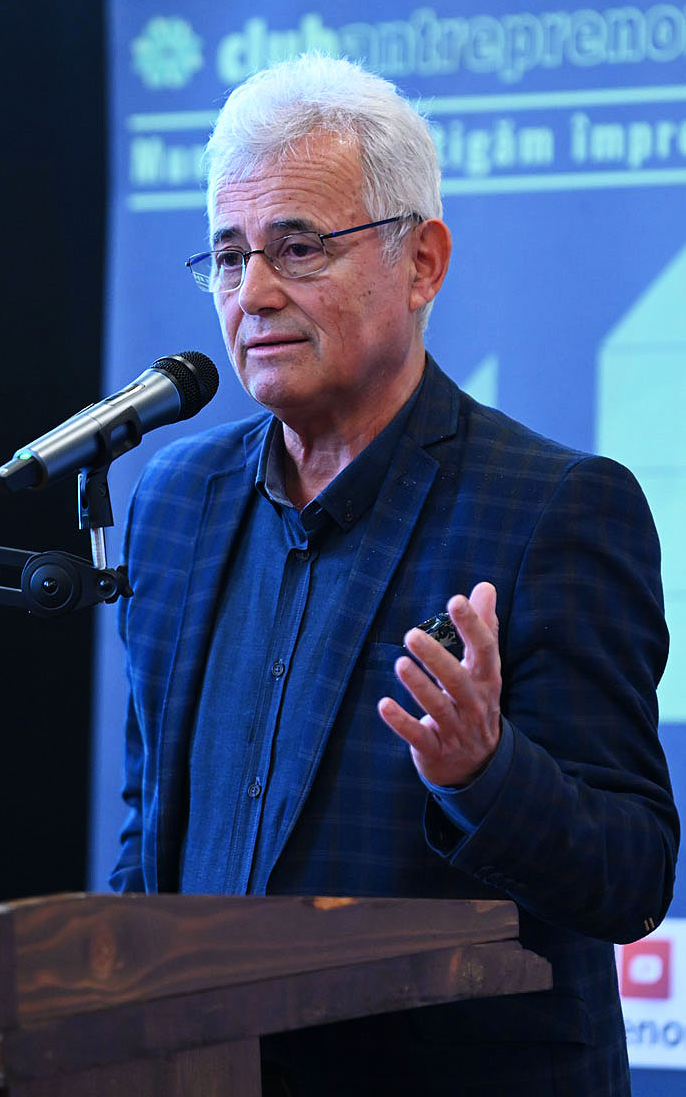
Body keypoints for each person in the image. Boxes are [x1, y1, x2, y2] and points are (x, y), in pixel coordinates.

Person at [110, 54, 678, 1095]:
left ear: (421, 262)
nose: (254, 293)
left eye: (298, 248)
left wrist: (482, 772)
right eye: (229, 256)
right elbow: (151, 829)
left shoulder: (554, 507)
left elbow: (630, 875)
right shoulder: (177, 501)